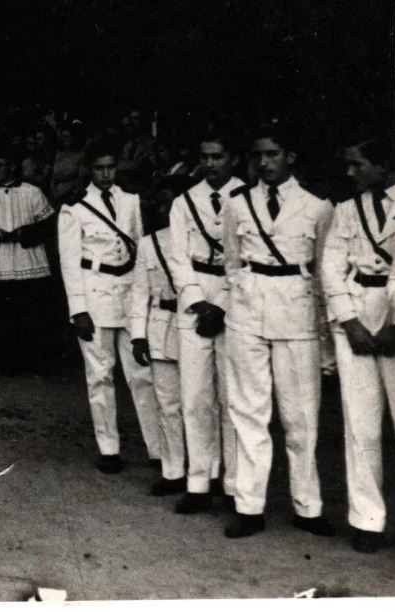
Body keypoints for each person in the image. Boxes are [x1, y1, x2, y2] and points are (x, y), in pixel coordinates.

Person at [220, 125, 334, 539]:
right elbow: (232, 261)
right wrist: (243, 293)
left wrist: (323, 333)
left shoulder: (317, 206)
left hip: (296, 310)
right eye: (258, 155)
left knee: (300, 414)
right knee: (248, 410)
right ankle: (249, 506)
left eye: (273, 154)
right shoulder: (237, 203)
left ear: (291, 157)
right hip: (248, 309)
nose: (264, 162)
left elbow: (323, 268)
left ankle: (308, 506)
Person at [57, 139, 163, 473]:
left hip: (129, 293)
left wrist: (145, 299)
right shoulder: (75, 207)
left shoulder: (130, 200)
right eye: (99, 168)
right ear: (89, 169)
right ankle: (109, 448)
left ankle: (159, 450)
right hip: (94, 293)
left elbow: (140, 249)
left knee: (142, 374)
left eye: (110, 167)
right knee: (100, 376)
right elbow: (69, 262)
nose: (105, 174)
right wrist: (78, 309)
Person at [320, 135, 395, 553]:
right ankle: (368, 519)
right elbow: (331, 267)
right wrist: (349, 321)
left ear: (384, 165)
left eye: (358, 164)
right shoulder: (348, 210)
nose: (350, 173)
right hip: (357, 310)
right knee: (360, 424)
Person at [167, 134, 243, 514]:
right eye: (205, 157)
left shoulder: (247, 197)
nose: (211, 164)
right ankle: (198, 481)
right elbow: (177, 256)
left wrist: (222, 306)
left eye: (218, 156)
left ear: (233, 158)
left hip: (235, 297)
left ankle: (233, 484)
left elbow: (245, 259)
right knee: (195, 396)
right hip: (194, 298)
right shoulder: (184, 202)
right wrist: (197, 300)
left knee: (233, 398)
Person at [0, 144, 56, 373]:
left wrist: (22, 233)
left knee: (29, 311)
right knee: (0, 313)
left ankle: (33, 361)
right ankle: (3, 362)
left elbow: (49, 225)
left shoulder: (31, 193)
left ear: (12, 167)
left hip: (28, 259)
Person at [128, 179, 188, 498]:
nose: (163, 210)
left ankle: (209, 473)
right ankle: (173, 470)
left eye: (170, 203)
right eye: (159, 204)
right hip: (161, 328)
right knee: (167, 404)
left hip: (195, 327)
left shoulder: (200, 239)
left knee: (203, 405)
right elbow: (139, 292)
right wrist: (138, 336)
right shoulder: (149, 244)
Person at [49, 122, 87, 205]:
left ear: (73, 138)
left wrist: (66, 191)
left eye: (66, 137)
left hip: (71, 198)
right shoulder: (58, 155)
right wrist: (54, 192)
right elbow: (53, 177)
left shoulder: (81, 156)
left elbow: (81, 180)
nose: (64, 140)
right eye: (62, 137)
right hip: (56, 197)